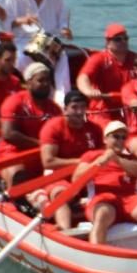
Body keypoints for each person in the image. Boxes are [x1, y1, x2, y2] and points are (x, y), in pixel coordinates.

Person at [72, 121, 137, 247]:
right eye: (116, 137)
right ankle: (98, 253)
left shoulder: (130, 158)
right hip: (103, 199)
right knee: (102, 214)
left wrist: (116, 159)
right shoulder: (91, 155)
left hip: (130, 200)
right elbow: (76, 178)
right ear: (105, 139)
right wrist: (98, 163)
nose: (120, 140)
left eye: (123, 137)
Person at [3, 0, 73, 95]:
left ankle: (62, 99)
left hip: (48, 42)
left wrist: (65, 30)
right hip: (24, 42)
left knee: (62, 56)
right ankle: (32, 94)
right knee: (23, 58)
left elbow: (62, 21)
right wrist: (22, 20)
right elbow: (5, 22)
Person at [38, 90, 103, 229]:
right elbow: (48, 161)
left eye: (82, 107)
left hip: (87, 175)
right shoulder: (53, 127)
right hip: (59, 176)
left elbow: (102, 155)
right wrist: (81, 162)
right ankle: (65, 230)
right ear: (65, 109)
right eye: (74, 107)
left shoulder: (95, 129)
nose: (79, 111)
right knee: (61, 195)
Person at [0, 61, 58, 187]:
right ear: (29, 83)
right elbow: (8, 134)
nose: (46, 84)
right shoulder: (14, 102)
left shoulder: (55, 109)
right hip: (13, 154)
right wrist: (41, 144)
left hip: (42, 156)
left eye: (48, 80)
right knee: (19, 175)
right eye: (41, 80)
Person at [77, 23, 136, 123]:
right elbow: (83, 78)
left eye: (125, 38)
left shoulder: (136, 59)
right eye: (118, 39)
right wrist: (89, 91)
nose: (123, 42)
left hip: (131, 108)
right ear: (108, 42)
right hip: (103, 112)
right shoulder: (98, 58)